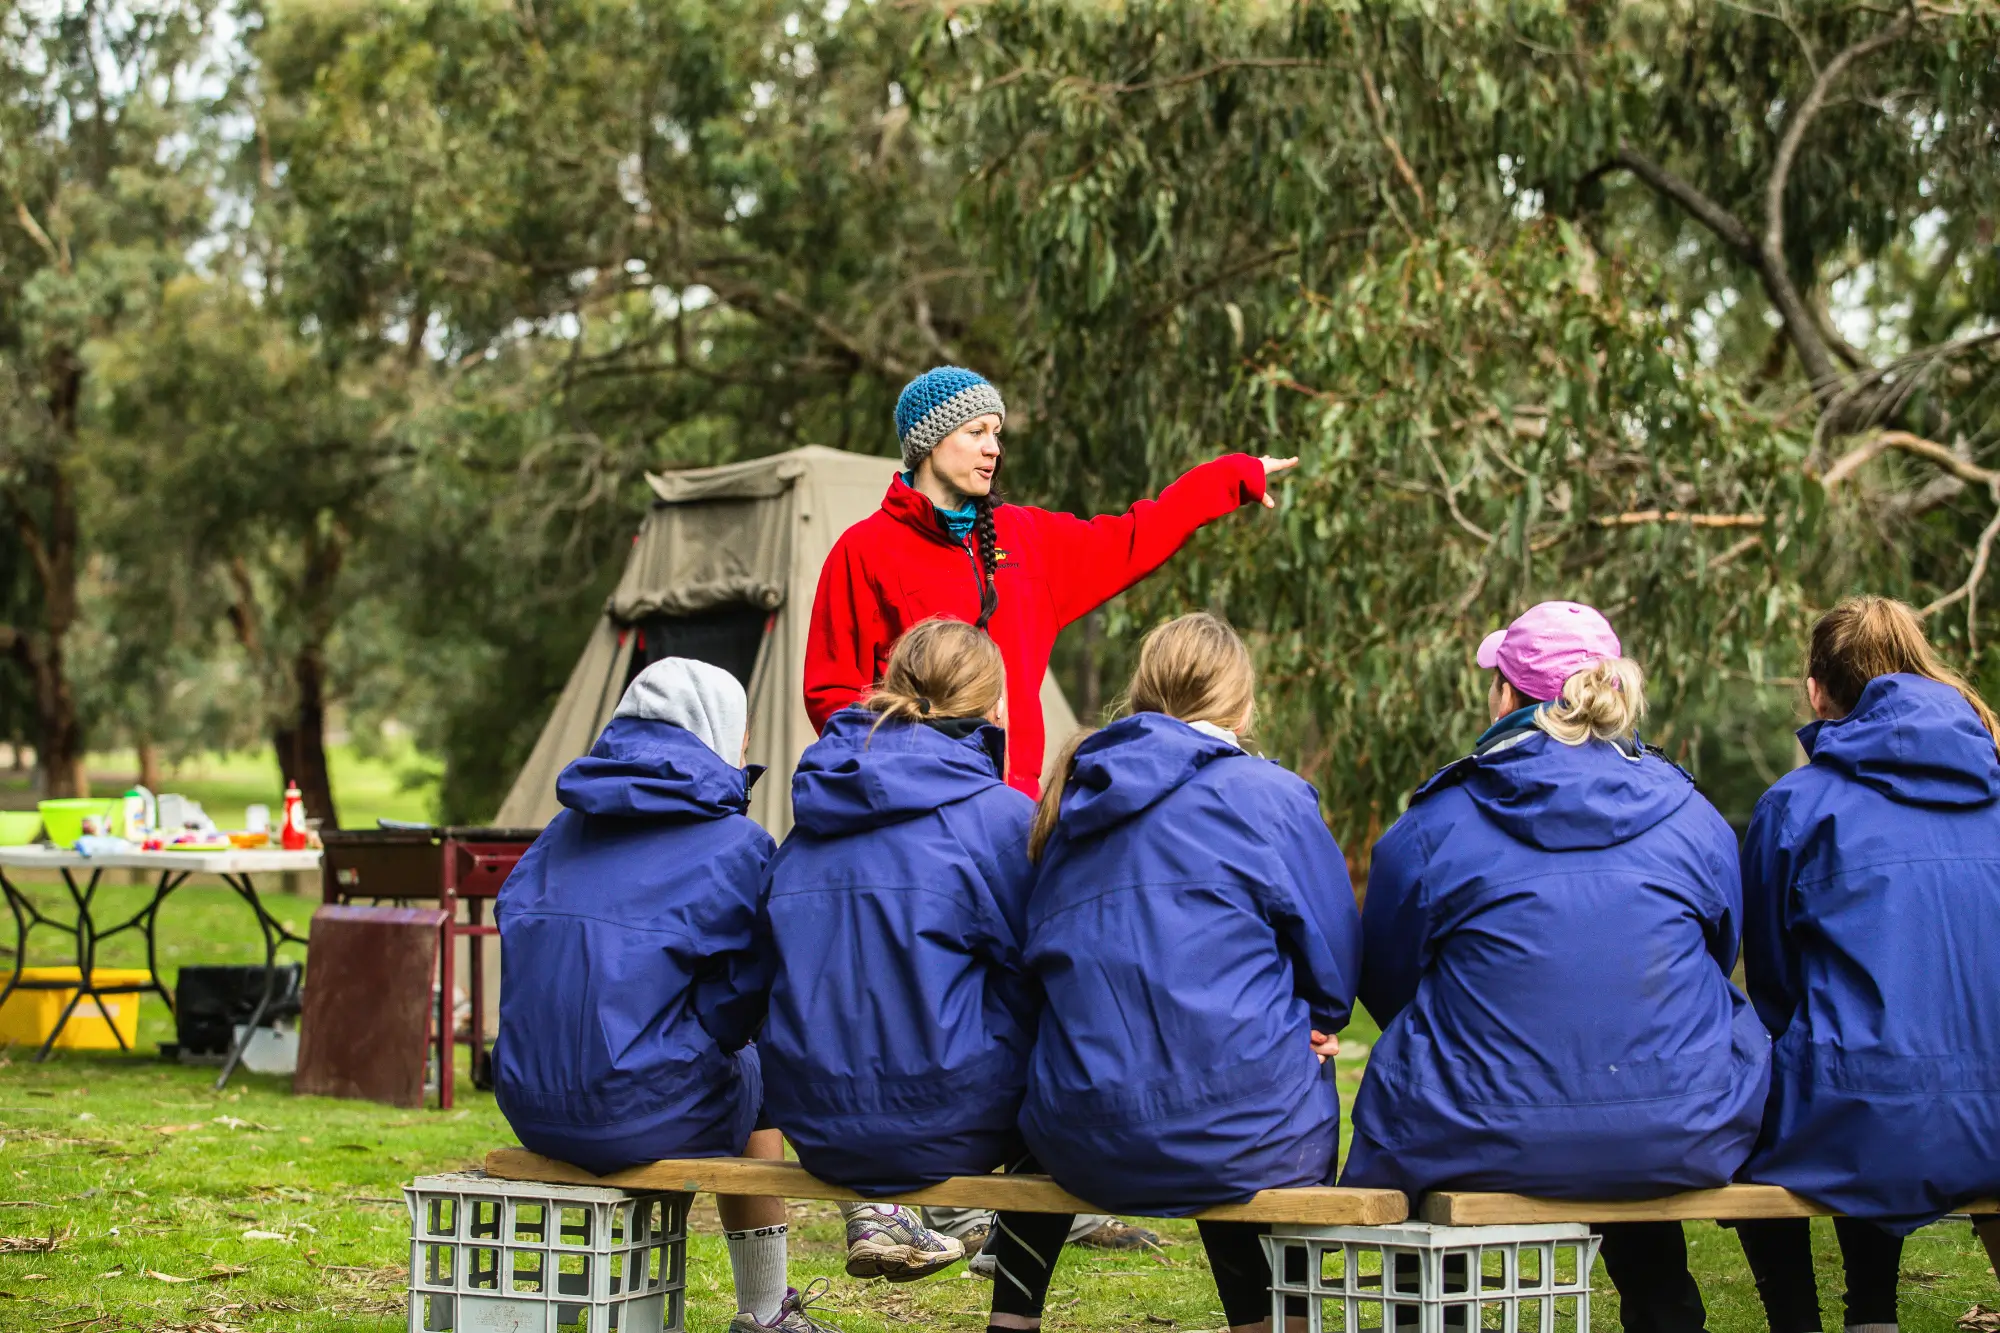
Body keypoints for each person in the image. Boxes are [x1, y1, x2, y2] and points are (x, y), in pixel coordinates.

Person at [1342, 601, 1770, 1333]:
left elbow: (1385, 978)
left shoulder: (1434, 824)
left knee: (1454, 1104)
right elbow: (1718, 949)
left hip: (1471, 1124)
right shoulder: (1694, 817)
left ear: (1505, 696)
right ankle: (1668, 1311)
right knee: (1620, 1094)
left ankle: (1422, 1314)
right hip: (1679, 1121)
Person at [989, 612, 1361, 1333]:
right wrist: (1315, 1019)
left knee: (1193, 1083)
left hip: (1080, 1123)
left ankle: (1011, 1319)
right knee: (1232, 1089)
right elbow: (1336, 964)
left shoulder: (1071, 798)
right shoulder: (1271, 795)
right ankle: (1265, 1321)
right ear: (1242, 703)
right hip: (1242, 1123)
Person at [493, 659, 830, 1333]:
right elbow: (743, 1004)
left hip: (529, 1103)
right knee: (760, 1068)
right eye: (742, 738)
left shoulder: (556, 835)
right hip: (638, 1108)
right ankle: (766, 1311)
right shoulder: (739, 844)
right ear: (716, 732)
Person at [804, 364, 1296, 797]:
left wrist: (1227, 479)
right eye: (976, 432)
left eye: (996, 433)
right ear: (930, 442)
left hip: (1013, 807)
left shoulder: (1026, 537)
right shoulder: (863, 550)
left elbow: (1133, 538)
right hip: (909, 807)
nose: (993, 448)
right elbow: (832, 695)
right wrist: (894, 775)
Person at [1732, 596, 2000, 1333]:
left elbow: (1776, 987)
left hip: (1869, 1107)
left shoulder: (1795, 805)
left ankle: (1802, 1320)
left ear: (1818, 689)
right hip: (1991, 1106)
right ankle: (1871, 1311)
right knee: (1872, 1057)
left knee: (1782, 1085)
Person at [757, 618, 1023, 1281]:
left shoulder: (810, 817)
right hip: (952, 1120)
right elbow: (1046, 971)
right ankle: (1017, 1293)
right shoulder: (1000, 819)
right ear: (995, 707)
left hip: (815, 1124)